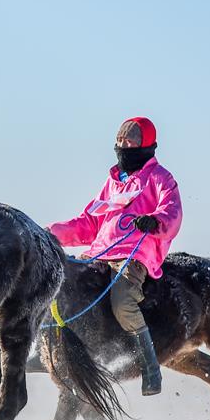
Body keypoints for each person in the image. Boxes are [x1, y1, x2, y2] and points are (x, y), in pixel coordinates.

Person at [47, 117, 183, 396]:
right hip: (97, 253)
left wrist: (154, 221)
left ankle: (150, 366)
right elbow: (89, 223)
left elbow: (173, 214)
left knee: (123, 303)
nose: (123, 147)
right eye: (120, 142)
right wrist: (51, 233)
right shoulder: (112, 182)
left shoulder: (160, 179)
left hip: (133, 256)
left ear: (146, 146)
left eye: (130, 142)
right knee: (58, 286)